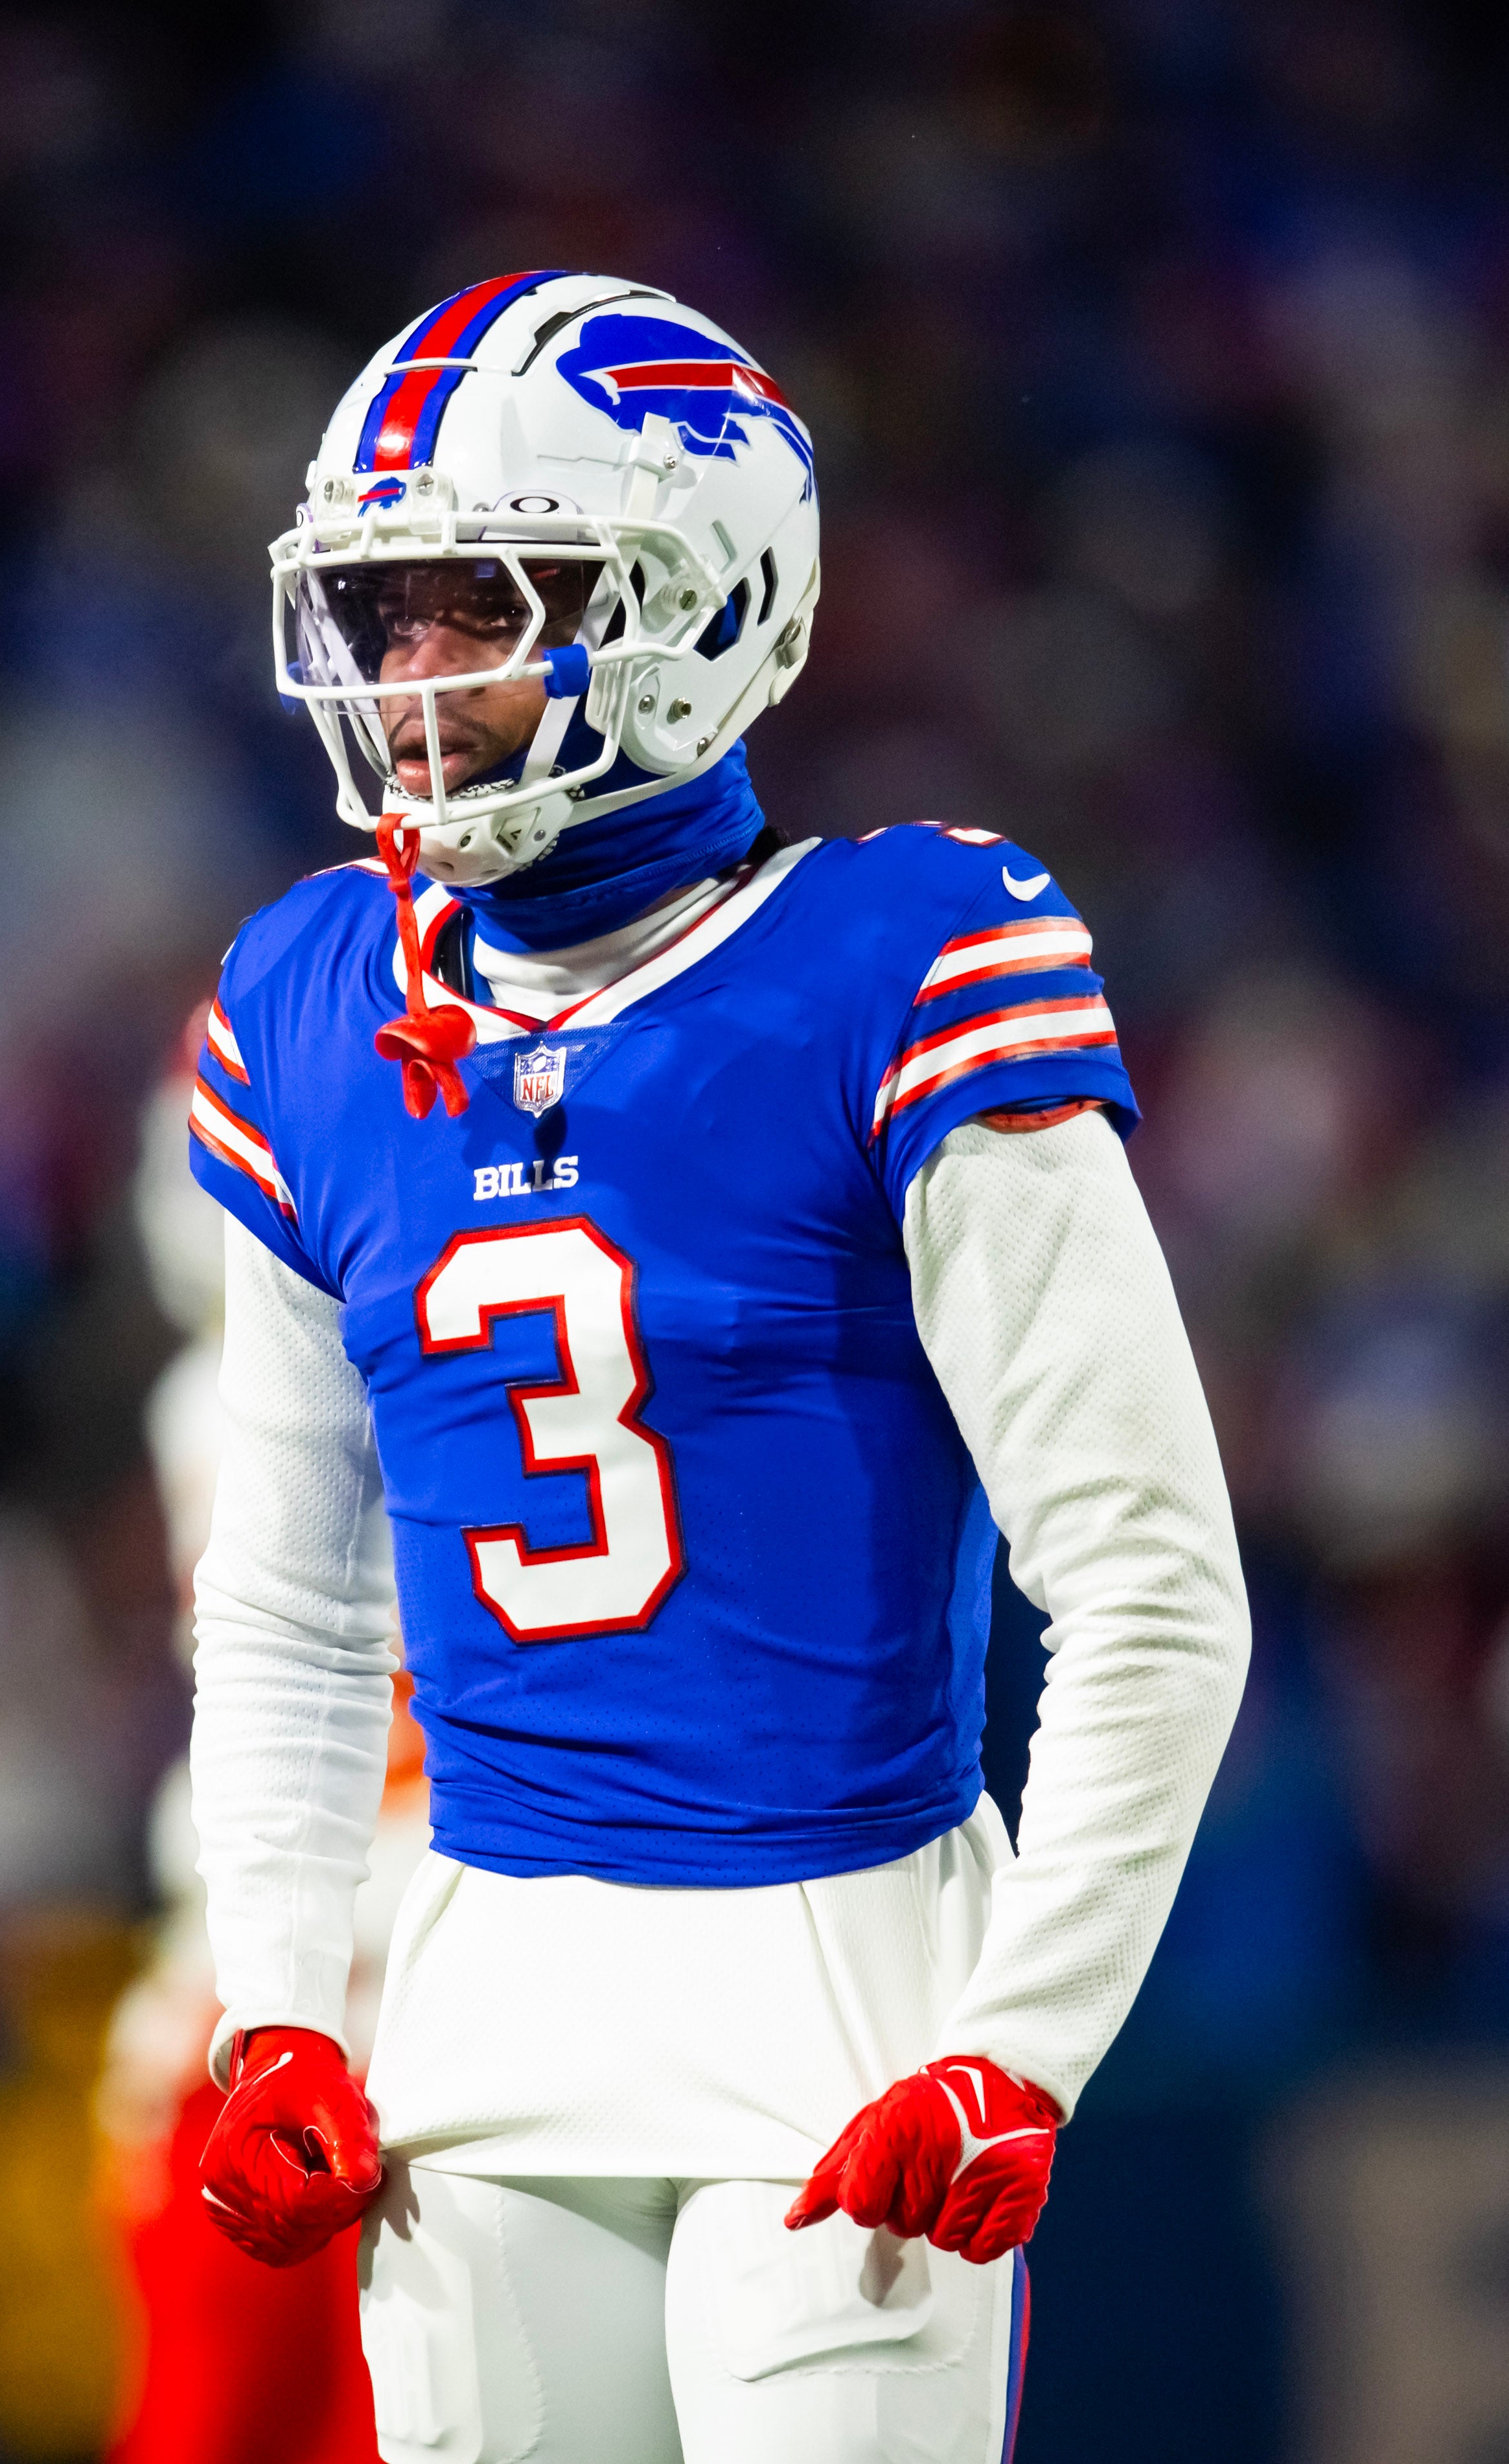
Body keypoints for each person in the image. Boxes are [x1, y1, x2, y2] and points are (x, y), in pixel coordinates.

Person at [180, 270, 1251, 2461]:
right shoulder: (311, 1000)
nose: (409, 679)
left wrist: (1020, 2043)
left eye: (476, 601)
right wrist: (281, 2003)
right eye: (378, 617)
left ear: (692, 602)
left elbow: (1145, 1575)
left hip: (839, 1998)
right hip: (476, 2011)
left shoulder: (905, 956)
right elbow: (288, 1595)